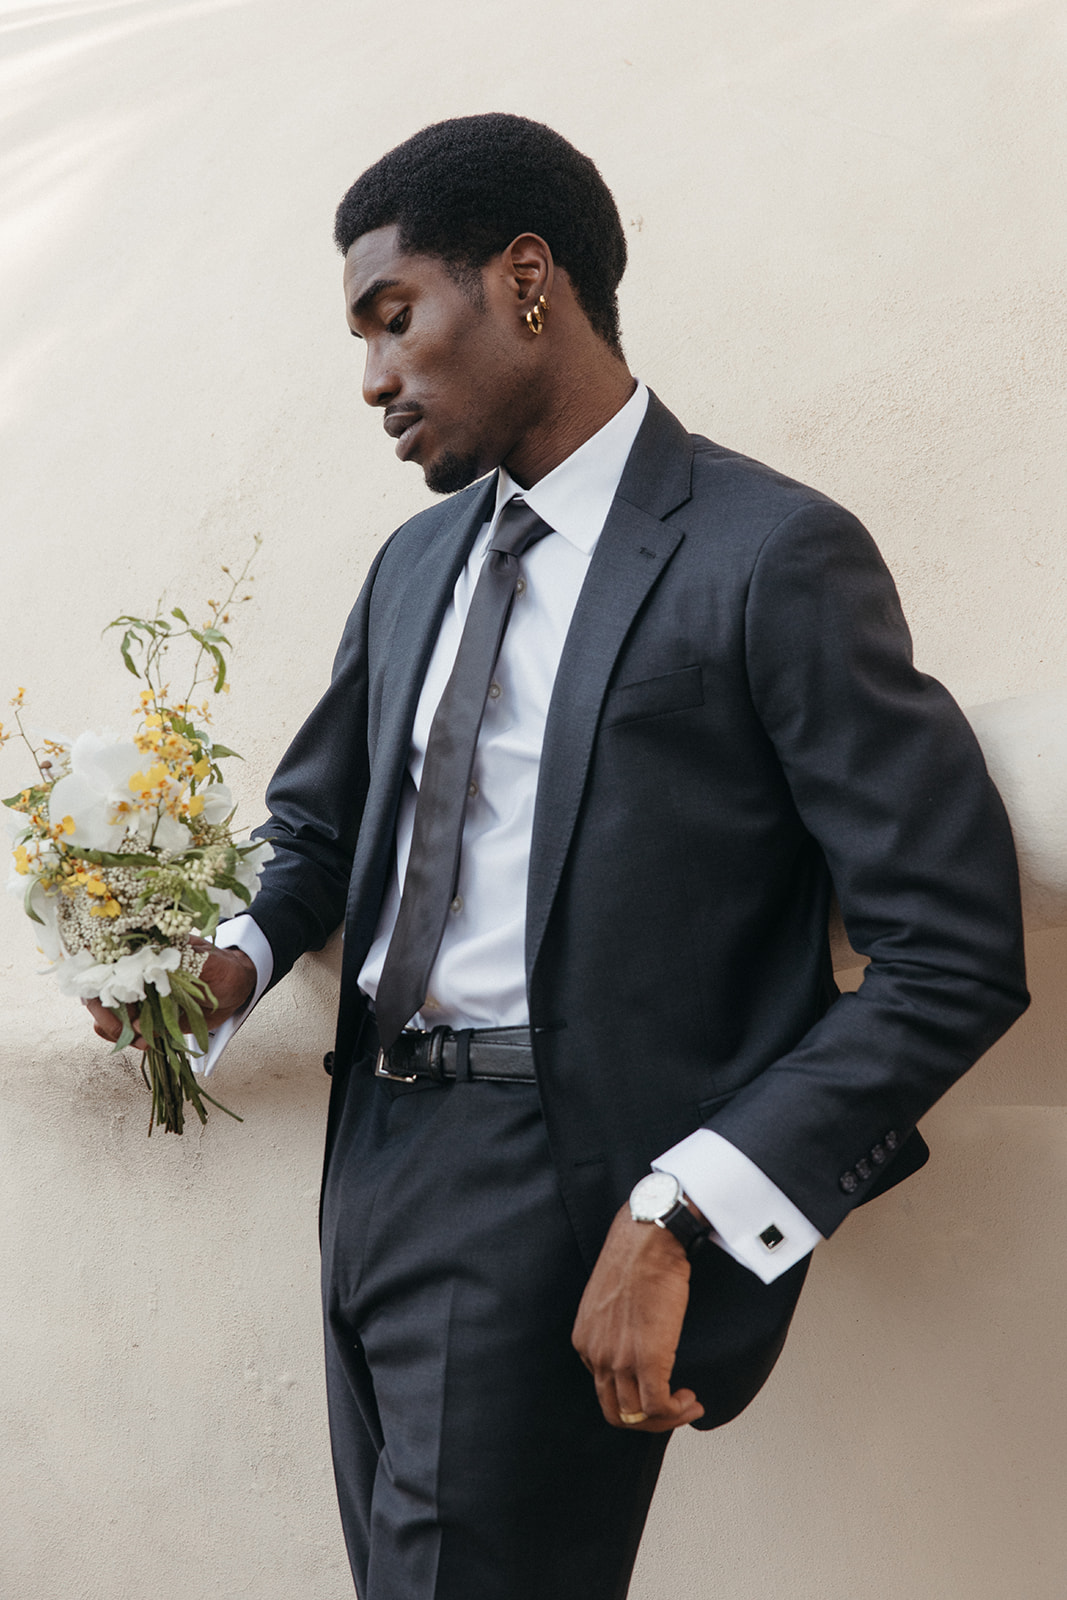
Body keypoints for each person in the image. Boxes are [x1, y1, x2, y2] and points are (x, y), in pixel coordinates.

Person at [89, 114, 1029, 1598]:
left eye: (395, 318)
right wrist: (231, 963)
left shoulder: (769, 554)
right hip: (368, 1165)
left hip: (561, 1180)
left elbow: (957, 948)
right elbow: (322, 826)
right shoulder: (415, 567)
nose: (373, 378)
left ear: (529, 281)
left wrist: (682, 1209)